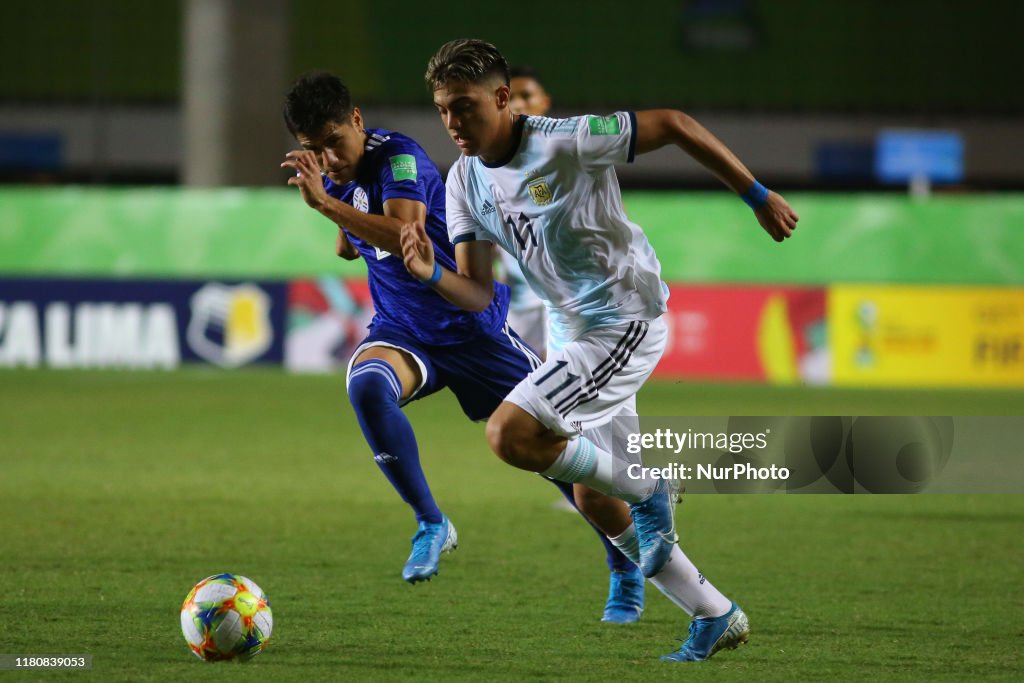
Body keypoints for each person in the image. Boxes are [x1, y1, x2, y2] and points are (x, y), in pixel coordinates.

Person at [402, 39, 798, 662]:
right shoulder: (463, 180)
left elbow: (673, 124)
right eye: (444, 109)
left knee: (511, 435)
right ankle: (714, 612)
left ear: (503, 98)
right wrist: (429, 274)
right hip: (570, 327)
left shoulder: (567, 139)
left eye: (465, 106)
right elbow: (479, 294)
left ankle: (652, 492)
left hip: (625, 319)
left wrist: (756, 195)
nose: (453, 123)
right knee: (592, 492)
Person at [279, 71, 645, 623]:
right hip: (404, 330)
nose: (328, 158)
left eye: (334, 142)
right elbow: (348, 247)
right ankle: (431, 521)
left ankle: (623, 565)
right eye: (315, 149)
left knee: (551, 453)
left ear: (357, 121)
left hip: (472, 329)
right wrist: (334, 195)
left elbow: (406, 239)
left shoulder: (400, 158)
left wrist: (327, 205)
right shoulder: (336, 174)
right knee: (367, 387)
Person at [497, 65, 552, 360]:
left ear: (544, 101)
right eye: (511, 97)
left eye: (526, 96)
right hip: (516, 305)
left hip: (559, 302)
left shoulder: (571, 154)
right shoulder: (489, 165)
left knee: (554, 389)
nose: (518, 104)